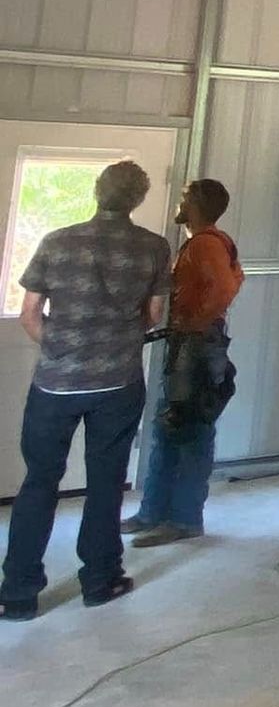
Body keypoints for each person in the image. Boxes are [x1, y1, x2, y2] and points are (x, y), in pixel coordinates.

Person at [2, 160, 170, 622]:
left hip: (54, 385)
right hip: (117, 383)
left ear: (98, 192)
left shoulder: (57, 241)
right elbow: (153, 314)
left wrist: (60, 349)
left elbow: (29, 314)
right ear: (137, 199)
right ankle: (100, 580)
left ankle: (17, 594)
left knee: (39, 482)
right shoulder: (154, 248)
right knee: (105, 483)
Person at [123, 178, 243, 548]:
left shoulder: (206, 244)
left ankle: (184, 518)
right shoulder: (205, 243)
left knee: (189, 428)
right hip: (188, 343)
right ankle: (153, 511)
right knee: (168, 426)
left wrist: (196, 322)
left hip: (195, 348)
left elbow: (226, 286)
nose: (180, 202)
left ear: (196, 205)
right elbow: (238, 277)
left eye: (185, 198)